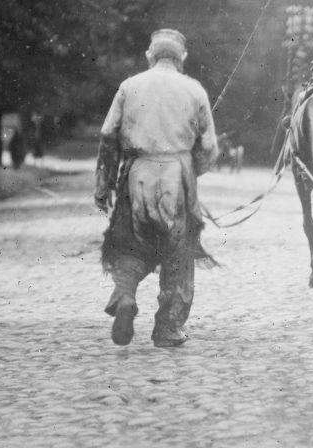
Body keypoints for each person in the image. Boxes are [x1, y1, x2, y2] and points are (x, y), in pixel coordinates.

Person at [94, 29, 219, 347]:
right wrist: (193, 173)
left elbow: (108, 135)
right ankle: (167, 327)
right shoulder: (194, 90)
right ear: (182, 58)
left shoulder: (129, 86)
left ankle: (124, 297)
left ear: (150, 56)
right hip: (177, 175)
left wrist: (104, 185)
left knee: (128, 244)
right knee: (178, 252)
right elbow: (209, 147)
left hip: (137, 173)